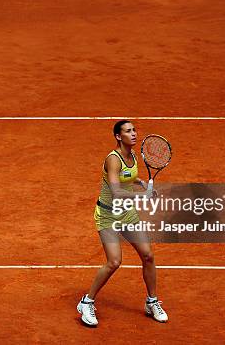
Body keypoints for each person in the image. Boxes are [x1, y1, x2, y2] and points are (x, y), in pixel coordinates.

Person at [77, 120, 168, 326]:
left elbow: (129, 176)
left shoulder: (134, 155)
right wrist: (143, 195)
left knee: (148, 255)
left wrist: (140, 182)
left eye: (134, 130)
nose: (134, 134)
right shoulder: (113, 160)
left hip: (127, 215)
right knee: (114, 262)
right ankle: (86, 301)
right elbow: (117, 192)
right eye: (128, 131)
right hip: (108, 216)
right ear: (118, 136)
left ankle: (151, 301)